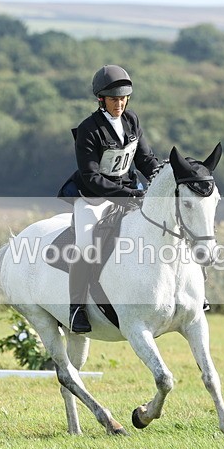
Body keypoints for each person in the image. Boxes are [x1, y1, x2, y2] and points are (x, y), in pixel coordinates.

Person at [58, 64, 160, 333]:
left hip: (129, 192)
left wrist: (161, 179)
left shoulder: (132, 120)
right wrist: (129, 194)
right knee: (85, 245)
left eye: (124, 98)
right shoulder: (88, 130)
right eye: (115, 99)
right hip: (93, 198)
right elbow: (91, 177)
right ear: (101, 99)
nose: (120, 103)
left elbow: (145, 159)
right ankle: (76, 308)